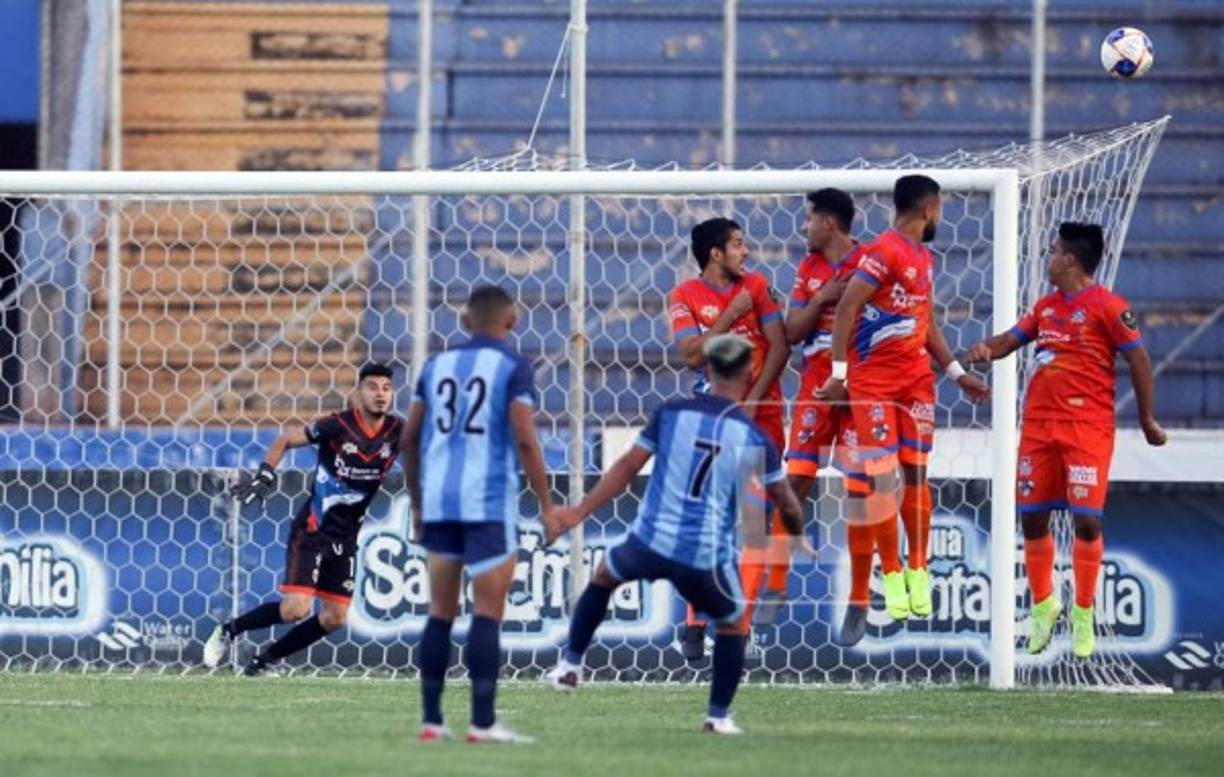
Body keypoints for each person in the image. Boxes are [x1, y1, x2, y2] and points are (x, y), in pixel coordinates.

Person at [542, 334, 808, 735]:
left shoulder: (670, 413)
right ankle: (717, 716)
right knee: (734, 626)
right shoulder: (753, 437)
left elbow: (626, 468)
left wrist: (578, 511)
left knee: (602, 576)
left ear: (707, 368)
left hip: (649, 541)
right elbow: (785, 501)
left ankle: (570, 666)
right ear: (750, 373)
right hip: (703, 557)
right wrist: (799, 533)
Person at [966, 222, 1166, 658]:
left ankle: (1083, 614)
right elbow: (1010, 340)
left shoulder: (1109, 308)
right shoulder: (1045, 308)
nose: (1048, 257)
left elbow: (1139, 359)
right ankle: (1043, 606)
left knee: (1087, 521)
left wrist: (1148, 419)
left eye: (1053, 251)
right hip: (1038, 427)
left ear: (1070, 260)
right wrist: (986, 349)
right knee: (1032, 518)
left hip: (1086, 429)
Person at [818, 175, 989, 628]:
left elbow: (923, 318)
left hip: (916, 382)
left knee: (916, 474)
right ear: (930, 210)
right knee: (879, 480)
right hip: (873, 383)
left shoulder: (923, 257)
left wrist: (955, 372)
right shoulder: (884, 251)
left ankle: (917, 568)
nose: (942, 217)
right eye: (942, 210)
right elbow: (848, 309)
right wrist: (840, 375)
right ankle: (890, 575)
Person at [402, 285, 555, 744]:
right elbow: (526, 439)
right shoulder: (513, 366)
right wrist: (548, 505)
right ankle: (482, 724)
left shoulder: (436, 366)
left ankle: (431, 722)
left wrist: (417, 503)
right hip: (487, 503)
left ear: (466, 320)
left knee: (440, 613)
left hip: (441, 501)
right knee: (487, 612)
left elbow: (409, 439)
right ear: (512, 319)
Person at [202, 363, 402, 675]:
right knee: (296, 610)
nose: (380, 394)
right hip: (313, 530)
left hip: (346, 538)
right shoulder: (337, 426)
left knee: (335, 617)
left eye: (386, 388)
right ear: (359, 392)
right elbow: (284, 440)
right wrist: (265, 474)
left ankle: (264, 660)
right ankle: (227, 631)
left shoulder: (397, 432)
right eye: (372, 387)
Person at [668, 217, 791, 659]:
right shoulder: (684, 296)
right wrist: (732, 313)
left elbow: (780, 346)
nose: (745, 251)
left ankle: (737, 625)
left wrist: (754, 400)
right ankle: (695, 621)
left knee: (755, 521)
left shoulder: (758, 285)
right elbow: (690, 356)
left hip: (762, 416)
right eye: (737, 245)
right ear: (715, 254)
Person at [783, 189, 874, 645]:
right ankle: (774, 582)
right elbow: (794, 332)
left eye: (808, 220)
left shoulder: (872, 263)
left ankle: (859, 598)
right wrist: (822, 298)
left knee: (861, 491)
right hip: (816, 383)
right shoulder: (808, 269)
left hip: (860, 383)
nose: (803, 228)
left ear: (829, 224)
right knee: (795, 478)